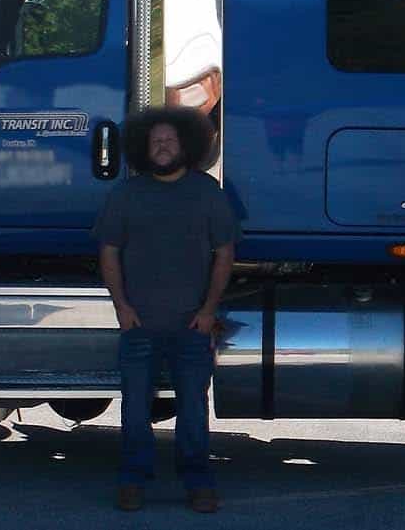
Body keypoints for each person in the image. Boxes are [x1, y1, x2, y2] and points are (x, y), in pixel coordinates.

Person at [93, 107, 241, 514]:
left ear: (187, 146)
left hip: (191, 325)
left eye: (170, 141)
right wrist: (121, 306)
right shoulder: (127, 193)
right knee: (135, 407)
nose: (162, 147)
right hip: (139, 324)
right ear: (145, 147)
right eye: (156, 141)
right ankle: (132, 480)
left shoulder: (207, 192)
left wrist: (209, 310)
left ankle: (198, 482)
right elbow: (109, 251)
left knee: (193, 407)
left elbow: (224, 253)